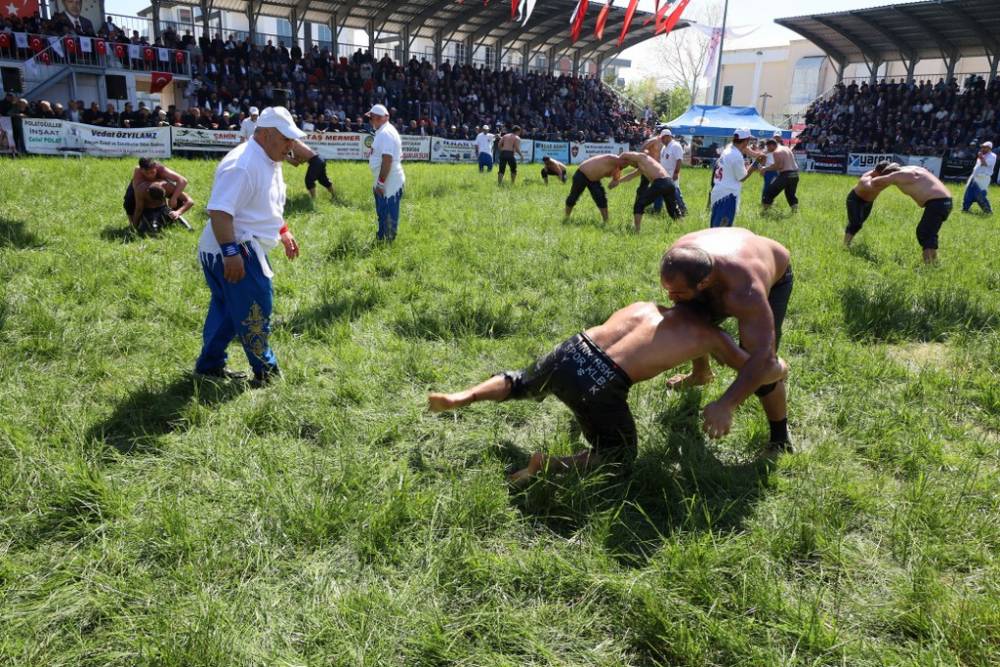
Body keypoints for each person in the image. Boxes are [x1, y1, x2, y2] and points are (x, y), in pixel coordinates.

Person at [428, 300, 789, 483]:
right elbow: (754, 369)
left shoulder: (645, 306)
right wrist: (778, 366)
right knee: (618, 455)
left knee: (521, 381)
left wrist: (700, 373)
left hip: (574, 348)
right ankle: (547, 465)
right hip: (603, 380)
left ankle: (464, 396)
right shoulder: (713, 336)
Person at [194, 106, 304, 386]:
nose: (291, 146)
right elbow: (220, 211)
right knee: (256, 310)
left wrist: (283, 230)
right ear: (266, 135)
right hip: (234, 247)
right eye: (286, 139)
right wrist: (230, 252)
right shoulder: (242, 164)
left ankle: (209, 366)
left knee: (229, 311)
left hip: (234, 245)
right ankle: (266, 372)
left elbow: (264, 204)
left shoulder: (269, 158)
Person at [660, 228, 793, 453]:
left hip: (773, 270)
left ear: (703, 283)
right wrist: (683, 301)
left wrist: (726, 404)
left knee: (759, 369)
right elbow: (686, 308)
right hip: (731, 247)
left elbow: (762, 359)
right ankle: (701, 374)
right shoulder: (679, 259)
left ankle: (780, 438)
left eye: (678, 293)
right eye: (668, 291)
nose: (671, 298)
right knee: (690, 319)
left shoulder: (745, 292)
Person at [866, 164, 953, 263]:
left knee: (925, 233)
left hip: (937, 202)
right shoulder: (914, 168)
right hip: (945, 201)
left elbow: (877, 181)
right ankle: (933, 260)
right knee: (929, 233)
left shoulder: (898, 175)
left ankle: (930, 264)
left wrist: (869, 177)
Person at [611, 151, 682, 232]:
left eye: (630, 164)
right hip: (669, 183)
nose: (631, 166)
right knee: (672, 210)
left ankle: (636, 230)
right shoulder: (644, 166)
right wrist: (617, 181)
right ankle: (681, 228)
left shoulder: (642, 157)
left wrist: (618, 163)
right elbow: (630, 176)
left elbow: (625, 154)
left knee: (639, 204)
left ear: (631, 159)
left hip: (660, 183)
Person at [366, 103, 405, 241]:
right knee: (383, 212)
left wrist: (381, 183)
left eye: (372, 118)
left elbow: (387, 160)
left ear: (382, 118)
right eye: (370, 118)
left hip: (389, 181)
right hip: (386, 179)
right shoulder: (384, 131)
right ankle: (382, 238)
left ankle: (387, 242)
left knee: (388, 212)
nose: (371, 121)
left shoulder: (386, 133)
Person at [710, 129, 760, 228]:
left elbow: (744, 149)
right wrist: (755, 164)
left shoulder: (728, 149)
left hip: (718, 192)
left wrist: (755, 154)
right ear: (746, 141)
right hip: (727, 196)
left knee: (715, 228)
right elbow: (742, 177)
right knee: (722, 230)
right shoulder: (736, 156)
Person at [124, 157, 190, 229]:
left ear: (156, 167)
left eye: (152, 172)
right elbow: (139, 207)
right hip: (142, 190)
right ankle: (132, 224)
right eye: (147, 173)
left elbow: (183, 181)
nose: (150, 175)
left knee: (178, 197)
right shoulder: (139, 182)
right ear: (141, 170)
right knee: (129, 201)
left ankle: (173, 216)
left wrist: (174, 199)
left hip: (161, 191)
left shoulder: (164, 178)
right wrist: (134, 226)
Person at [844, 160, 897, 247]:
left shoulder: (884, 176)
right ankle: (845, 245)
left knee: (859, 224)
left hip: (868, 202)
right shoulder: (866, 179)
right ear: (878, 172)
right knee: (855, 222)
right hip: (855, 200)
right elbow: (869, 186)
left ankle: (848, 240)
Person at [564, 153, 623, 223]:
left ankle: (606, 221)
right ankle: (566, 217)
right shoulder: (612, 158)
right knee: (573, 197)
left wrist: (614, 180)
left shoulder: (618, 167)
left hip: (594, 179)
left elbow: (614, 178)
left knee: (601, 197)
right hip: (582, 174)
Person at [760, 138, 800, 211]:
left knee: (768, 193)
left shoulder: (776, 152)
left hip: (786, 175)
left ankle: (765, 212)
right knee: (790, 195)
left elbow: (778, 166)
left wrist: (764, 168)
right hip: (795, 174)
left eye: (768, 147)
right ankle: (795, 212)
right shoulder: (786, 148)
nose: (767, 149)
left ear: (772, 145)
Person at [962, 141, 995, 215]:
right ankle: (965, 209)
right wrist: (971, 176)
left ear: (989, 148)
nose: (982, 148)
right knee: (968, 193)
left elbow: (985, 164)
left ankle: (988, 211)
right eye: (982, 147)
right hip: (975, 177)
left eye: (984, 147)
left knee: (980, 195)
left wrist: (981, 157)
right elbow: (977, 167)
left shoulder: (992, 156)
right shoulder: (982, 155)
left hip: (983, 178)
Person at [659, 129, 687, 216]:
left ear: (668, 137)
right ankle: (659, 209)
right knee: (664, 193)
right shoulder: (664, 147)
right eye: (661, 138)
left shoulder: (675, 146)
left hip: (672, 174)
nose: (662, 140)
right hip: (664, 174)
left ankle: (683, 209)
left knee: (675, 192)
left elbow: (679, 160)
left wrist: (676, 173)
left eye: (663, 138)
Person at [760, 130, 783, 202]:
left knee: (774, 187)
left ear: (780, 138)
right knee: (767, 186)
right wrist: (763, 168)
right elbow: (764, 156)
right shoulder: (768, 146)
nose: (777, 138)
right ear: (773, 136)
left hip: (777, 170)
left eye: (778, 137)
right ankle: (764, 200)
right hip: (768, 170)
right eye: (775, 136)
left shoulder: (781, 147)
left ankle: (770, 200)